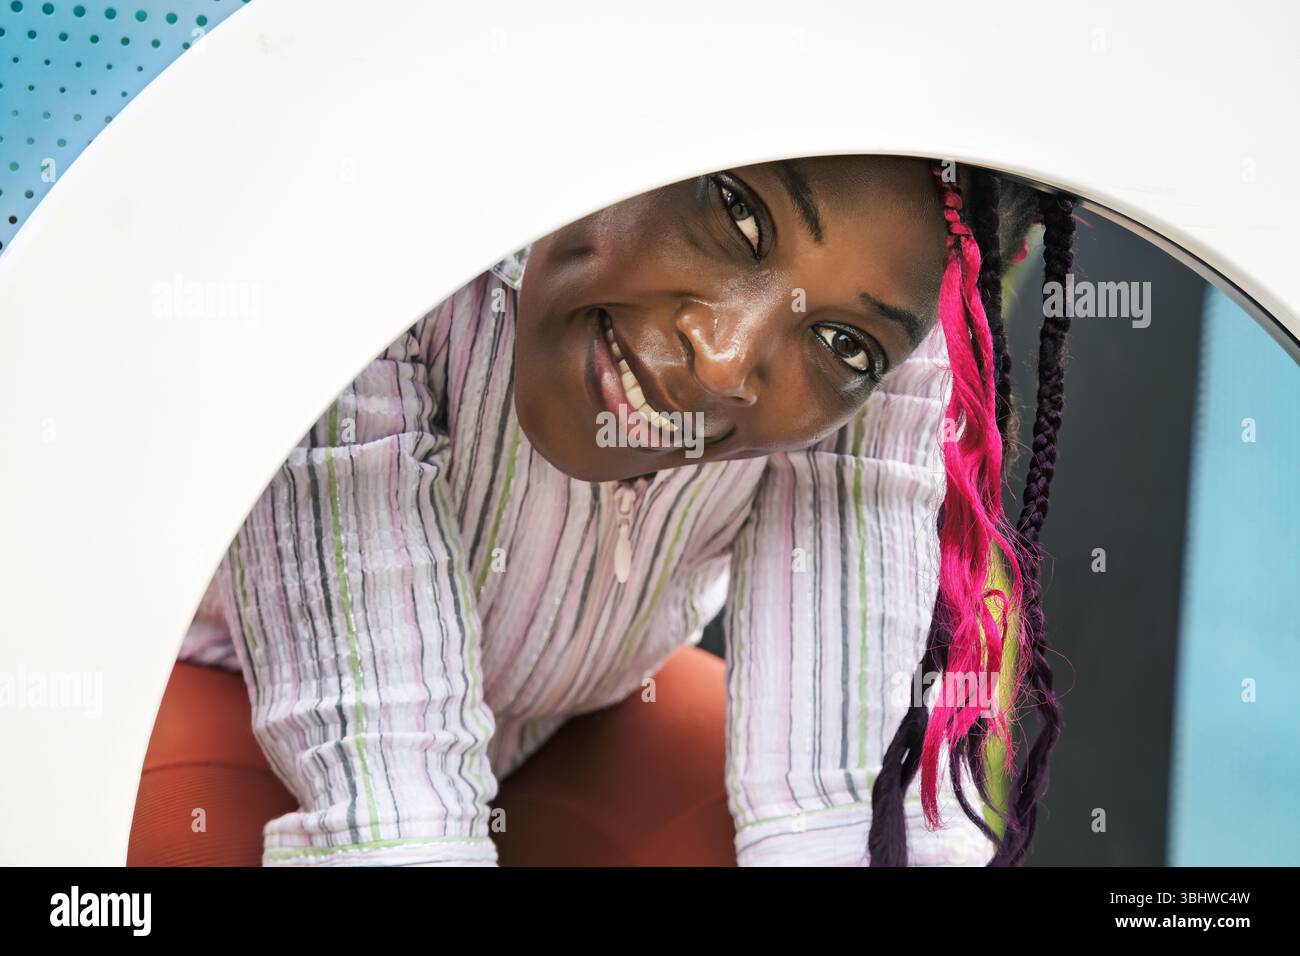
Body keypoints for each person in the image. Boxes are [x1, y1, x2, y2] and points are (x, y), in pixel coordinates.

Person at [176, 155, 1074, 866]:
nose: (722, 362)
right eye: (737, 212)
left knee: (717, 820)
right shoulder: (398, 230)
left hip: (579, 716)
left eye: (842, 340)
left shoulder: (884, 379)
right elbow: (384, 803)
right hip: (243, 695)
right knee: (179, 835)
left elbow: (841, 798)